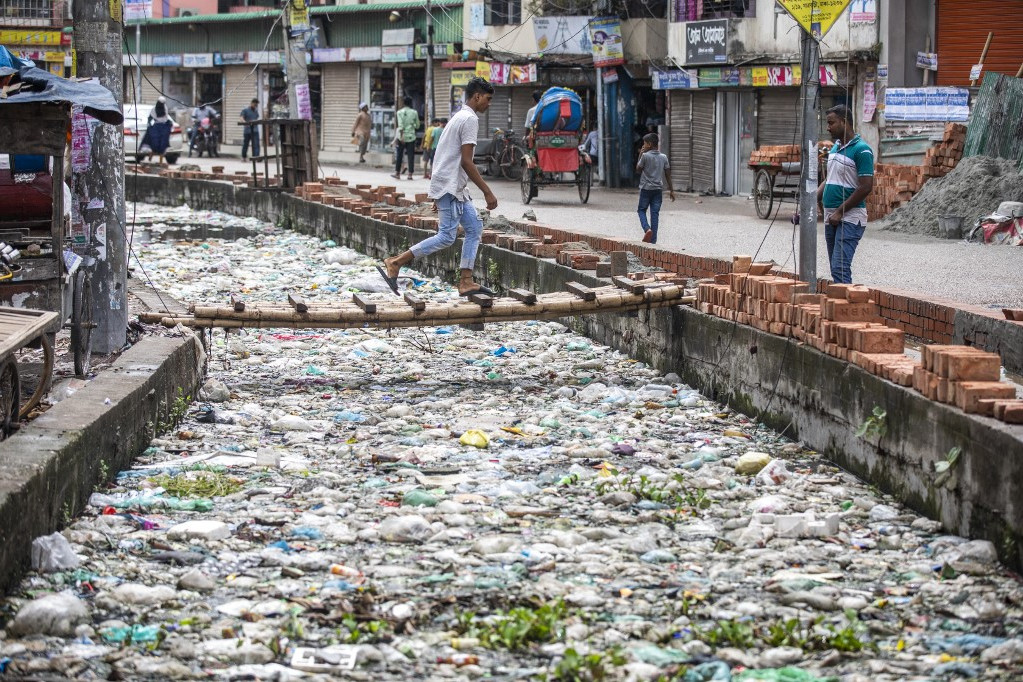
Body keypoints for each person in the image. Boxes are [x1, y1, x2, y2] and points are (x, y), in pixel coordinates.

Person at [376, 77, 498, 297]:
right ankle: (396, 262)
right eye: (487, 99)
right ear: (477, 96)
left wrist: (438, 191)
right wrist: (487, 191)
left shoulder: (458, 117)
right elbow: (466, 161)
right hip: (450, 187)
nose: (488, 104)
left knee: (474, 228)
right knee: (446, 237)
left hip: (453, 187)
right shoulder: (469, 119)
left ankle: (466, 281)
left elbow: (446, 154)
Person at [817, 104, 874, 284]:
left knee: (840, 266)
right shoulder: (835, 148)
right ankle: (840, 306)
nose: (828, 127)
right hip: (831, 216)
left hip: (849, 217)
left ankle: (846, 308)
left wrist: (840, 211)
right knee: (836, 268)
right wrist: (813, 199)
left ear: (844, 122)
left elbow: (865, 187)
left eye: (831, 123)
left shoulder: (862, 150)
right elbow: (829, 179)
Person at [635, 132, 675, 244]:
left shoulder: (645, 156)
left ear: (649, 144)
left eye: (644, 143)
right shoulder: (663, 157)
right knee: (655, 214)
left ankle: (647, 229)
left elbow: (638, 170)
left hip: (646, 189)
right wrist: (671, 190)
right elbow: (668, 174)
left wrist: (640, 154)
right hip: (658, 190)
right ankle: (653, 242)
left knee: (641, 210)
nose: (643, 145)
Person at [392, 96, 420, 180]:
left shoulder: (399, 112)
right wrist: (413, 125)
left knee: (399, 155)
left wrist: (401, 137)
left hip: (402, 137)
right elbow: (417, 125)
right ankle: (410, 174)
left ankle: (397, 173)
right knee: (411, 156)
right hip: (411, 136)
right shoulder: (414, 112)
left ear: (404, 103)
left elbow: (400, 126)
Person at [141, 97, 173, 164]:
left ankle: (160, 161)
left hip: (164, 127)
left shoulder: (165, 108)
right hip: (156, 127)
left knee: (162, 145)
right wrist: (149, 124)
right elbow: (150, 118)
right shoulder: (154, 109)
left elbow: (165, 118)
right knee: (154, 144)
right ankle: (150, 158)